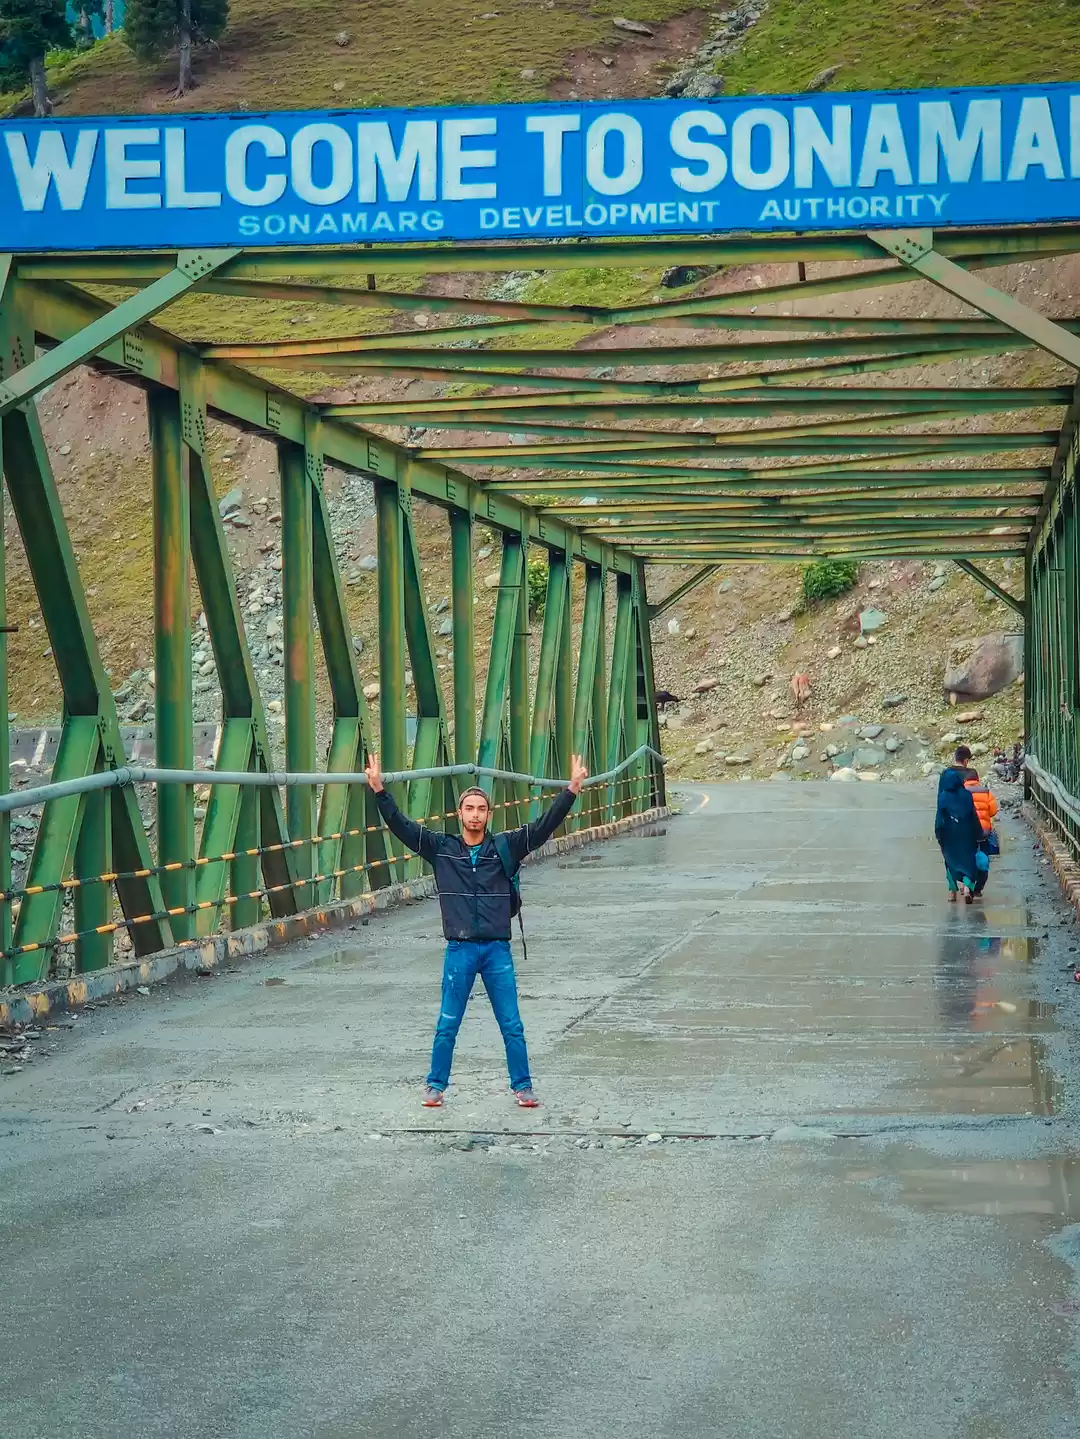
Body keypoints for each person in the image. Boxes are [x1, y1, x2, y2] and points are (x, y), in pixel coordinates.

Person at [364, 751, 589, 1109]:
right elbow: (403, 827)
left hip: (497, 949)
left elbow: (542, 827)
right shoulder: (442, 849)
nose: (474, 814)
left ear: (488, 814)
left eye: (480, 809)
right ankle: (435, 1086)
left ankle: (523, 1087)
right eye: (469, 808)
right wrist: (379, 791)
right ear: (460, 813)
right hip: (460, 949)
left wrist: (571, 791)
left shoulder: (505, 847)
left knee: (511, 1024)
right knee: (447, 1023)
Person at [935, 767, 985, 904]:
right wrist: (979, 833)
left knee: (950, 861)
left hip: (949, 834)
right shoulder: (967, 795)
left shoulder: (943, 796)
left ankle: (952, 892)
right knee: (968, 861)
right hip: (967, 832)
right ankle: (968, 889)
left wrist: (938, 833)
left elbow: (940, 817)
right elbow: (973, 815)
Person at [963, 770, 1000, 898]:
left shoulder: (962, 792)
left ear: (965, 781)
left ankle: (967, 886)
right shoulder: (986, 792)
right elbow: (993, 811)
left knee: (967, 858)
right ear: (977, 780)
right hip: (983, 832)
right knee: (983, 859)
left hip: (966, 832)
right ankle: (978, 889)